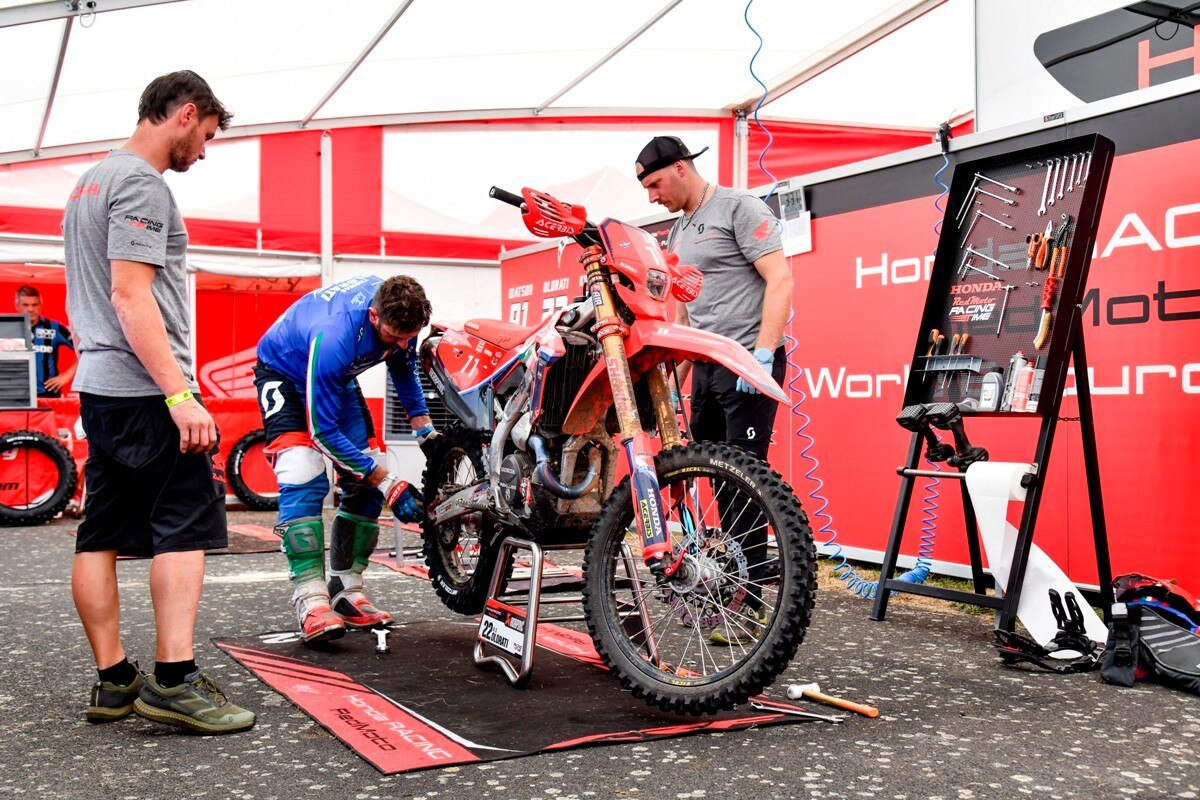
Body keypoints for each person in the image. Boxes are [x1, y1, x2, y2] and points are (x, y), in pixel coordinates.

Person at [62, 70, 254, 734]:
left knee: (101, 531)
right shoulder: (142, 185)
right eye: (203, 137)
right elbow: (129, 294)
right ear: (185, 113)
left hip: (101, 387)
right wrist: (179, 393)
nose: (201, 152)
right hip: (145, 387)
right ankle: (174, 679)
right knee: (187, 520)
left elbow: (96, 291)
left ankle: (114, 681)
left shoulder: (89, 181)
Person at [636, 135, 793, 644]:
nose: (652, 196)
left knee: (745, 484)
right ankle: (728, 591)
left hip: (747, 360)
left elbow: (781, 279)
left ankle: (752, 609)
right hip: (705, 367)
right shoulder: (679, 228)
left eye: (656, 184)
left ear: (681, 168)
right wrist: (672, 379)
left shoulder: (739, 207)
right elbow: (683, 312)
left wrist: (763, 356)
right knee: (712, 480)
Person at [254, 273, 436, 644]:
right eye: (395, 335)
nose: (404, 343)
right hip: (285, 373)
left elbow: (404, 369)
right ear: (373, 317)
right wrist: (388, 482)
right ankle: (310, 599)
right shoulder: (335, 334)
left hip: (334, 376)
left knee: (369, 465)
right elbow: (322, 433)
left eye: (410, 335)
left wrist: (426, 433)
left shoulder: (402, 314)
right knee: (303, 471)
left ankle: (345, 588)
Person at [14, 285, 76, 397]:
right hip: (15, 395)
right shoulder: (7, 328)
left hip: (48, 396)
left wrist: (66, 376)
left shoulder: (54, 327)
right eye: (25, 305)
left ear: (40, 305)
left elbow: (83, 349)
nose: (31, 309)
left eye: (34, 305)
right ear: (17, 305)